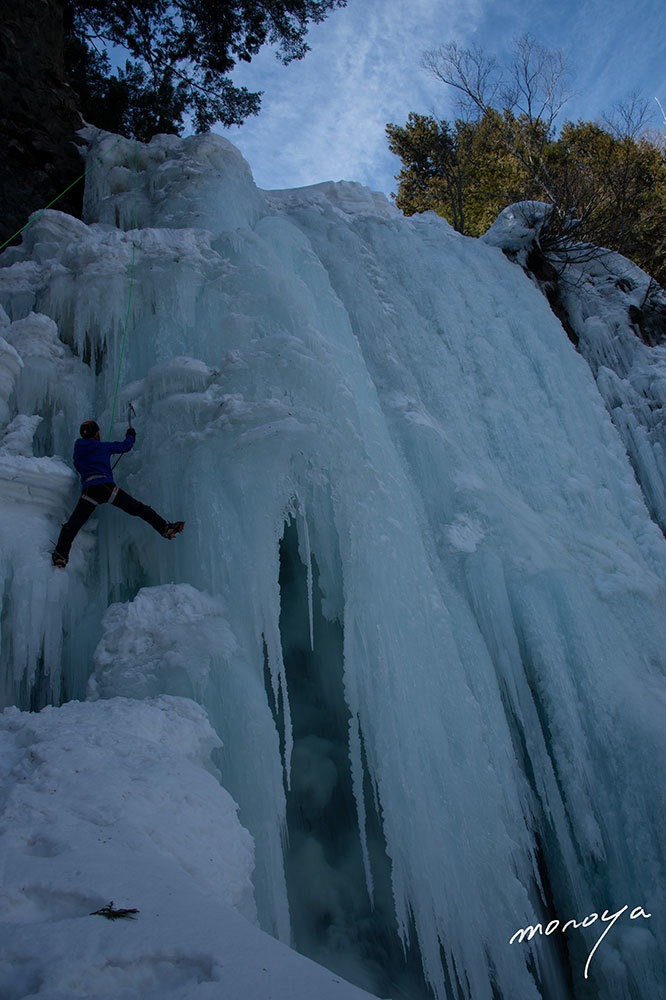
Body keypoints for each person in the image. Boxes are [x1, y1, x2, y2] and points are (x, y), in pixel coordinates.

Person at [52, 419, 183, 568]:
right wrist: (131, 434)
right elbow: (126, 446)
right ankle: (165, 528)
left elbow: (77, 464)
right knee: (139, 509)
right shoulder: (103, 447)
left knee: (73, 525)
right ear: (96, 433)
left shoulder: (78, 449)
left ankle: (60, 556)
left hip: (89, 491)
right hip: (107, 488)